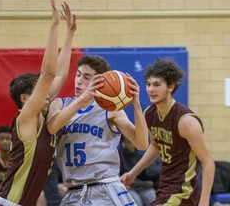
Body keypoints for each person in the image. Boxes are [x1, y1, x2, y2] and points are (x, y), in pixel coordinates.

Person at [0, 0, 76, 206]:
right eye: (40, 91)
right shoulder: (26, 119)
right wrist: (54, 25)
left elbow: (61, 75)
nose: (48, 94)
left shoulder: (42, 114)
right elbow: (48, 73)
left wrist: (70, 34)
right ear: (26, 98)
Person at [47, 55, 149, 205]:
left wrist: (136, 105)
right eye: (78, 75)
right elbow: (52, 127)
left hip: (105, 188)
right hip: (74, 192)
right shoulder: (59, 104)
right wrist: (83, 98)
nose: (79, 80)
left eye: (87, 77)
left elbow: (141, 144)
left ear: (100, 82)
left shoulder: (110, 110)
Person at [120, 58, 215, 206]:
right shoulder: (150, 114)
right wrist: (133, 173)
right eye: (148, 84)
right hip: (165, 186)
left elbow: (208, 161)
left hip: (184, 191)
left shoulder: (186, 121)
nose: (151, 89)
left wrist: (204, 201)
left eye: (157, 85)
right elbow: (156, 146)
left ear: (170, 86)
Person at [119, 136, 160, 206]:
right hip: (129, 188)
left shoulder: (139, 156)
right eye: (129, 143)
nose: (132, 145)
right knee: (136, 201)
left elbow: (147, 175)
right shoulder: (120, 157)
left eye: (133, 143)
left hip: (142, 187)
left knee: (153, 198)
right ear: (123, 143)